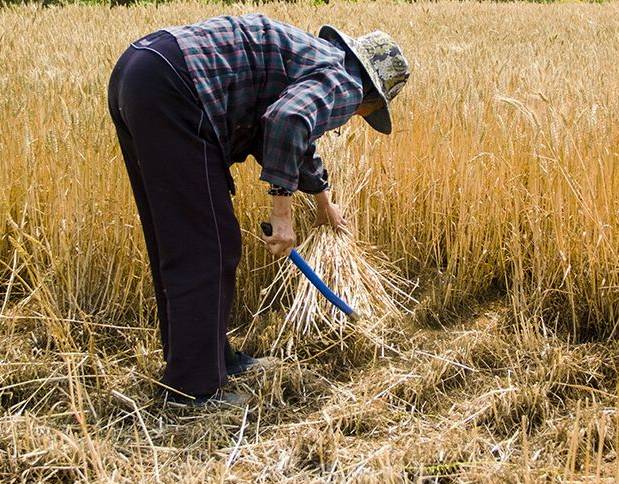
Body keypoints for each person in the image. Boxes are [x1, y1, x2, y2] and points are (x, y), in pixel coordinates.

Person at [106, 13, 410, 407]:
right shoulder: (347, 84)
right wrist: (282, 217)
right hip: (176, 89)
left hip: (141, 70)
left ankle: (210, 360)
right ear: (372, 97)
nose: (356, 115)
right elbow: (288, 120)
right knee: (209, 246)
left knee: (180, 238)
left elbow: (294, 138)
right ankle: (193, 389)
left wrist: (323, 202)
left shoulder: (320, 61)